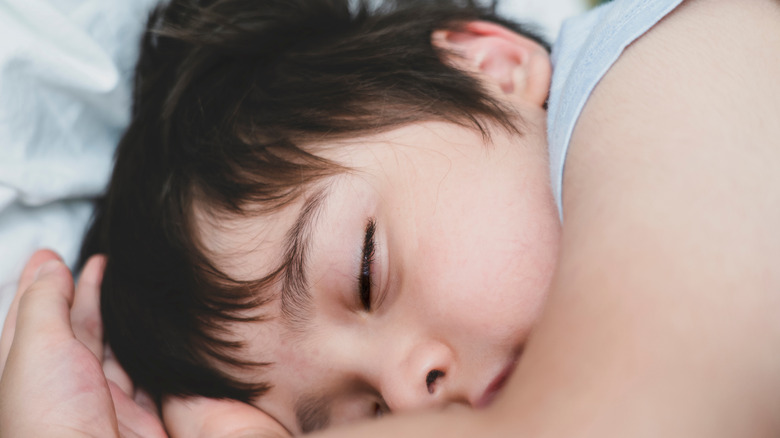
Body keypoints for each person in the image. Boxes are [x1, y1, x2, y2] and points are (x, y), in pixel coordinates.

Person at [2, 0, 780, 437]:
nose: (413, 393)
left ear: (487, 64)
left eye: (366, 275)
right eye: (356, 416)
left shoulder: (664, 66)